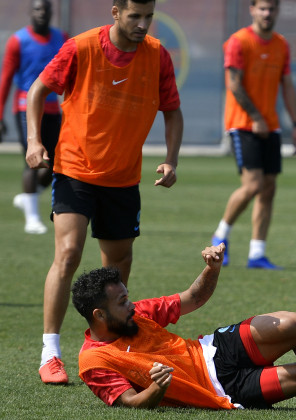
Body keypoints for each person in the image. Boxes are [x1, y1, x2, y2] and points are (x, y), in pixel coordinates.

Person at [72, 243, 296, 412]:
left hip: (212, 350)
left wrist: (210, 270)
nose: (132, 305)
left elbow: (193, 298)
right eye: (121, 302)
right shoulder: (95, 363)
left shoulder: (138, 314)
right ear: (99, 316)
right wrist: (156, 387)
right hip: (222, 388)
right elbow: (130, 404)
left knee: (293, 322)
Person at [26, 0, 183, 384]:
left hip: (123, 178)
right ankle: (50, 353)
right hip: (75, 169)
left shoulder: (158, 55)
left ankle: (106, 345)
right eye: (135, 16)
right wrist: (34, 141)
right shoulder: (80, 47)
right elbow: (38, 89)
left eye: (148, 16)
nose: (143, 24)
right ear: (115, 12)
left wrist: (171, 159)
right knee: (68, 253)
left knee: (116, 270)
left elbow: (172, 110)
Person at [211, 0, 296, 270]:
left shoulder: (280, 44)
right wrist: (256, 118)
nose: (267, 13)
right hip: (243, 124)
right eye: (262, 8)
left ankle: (257, 254)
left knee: (268, 189)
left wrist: (295, 125)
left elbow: (287, 86)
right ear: (252, 9)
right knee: (252, 185)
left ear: (277, 11)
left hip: (270, 126)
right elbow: (235, 85)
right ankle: (220, 238)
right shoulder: (238, 41)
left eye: (272, 8)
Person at [0, 0, 67, 234]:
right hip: (24, 108)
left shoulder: (62, 38)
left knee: (55, 163)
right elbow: (6, 79)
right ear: (31, 12)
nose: (42, 14)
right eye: (38, 9)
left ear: (51, 13)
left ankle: (28, 196)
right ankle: (32, 218)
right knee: (33, 159)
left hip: (52, 110)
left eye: (46, 10)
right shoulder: (18, 41)